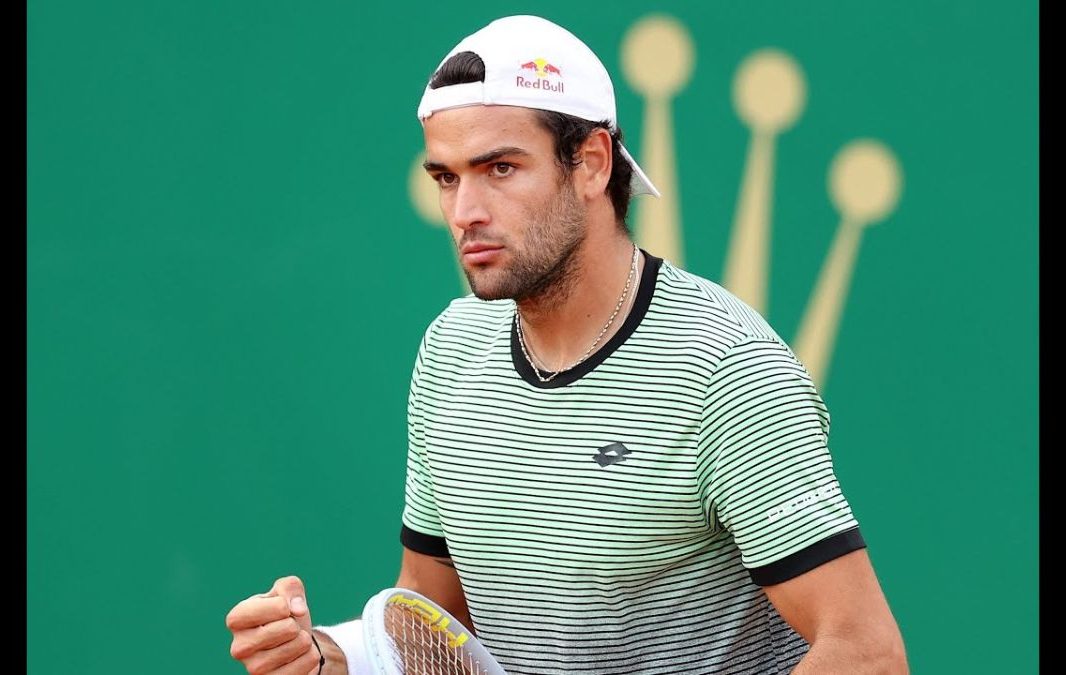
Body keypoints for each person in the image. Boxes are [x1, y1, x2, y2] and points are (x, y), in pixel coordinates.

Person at [226, 15, 908, 674]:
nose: (464, 212)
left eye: (500, 168)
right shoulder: (450, 349)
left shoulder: (726, 369)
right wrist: (328, 655)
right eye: (447, 177)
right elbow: (433, 619)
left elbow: (866, 653)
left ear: (591, 164)